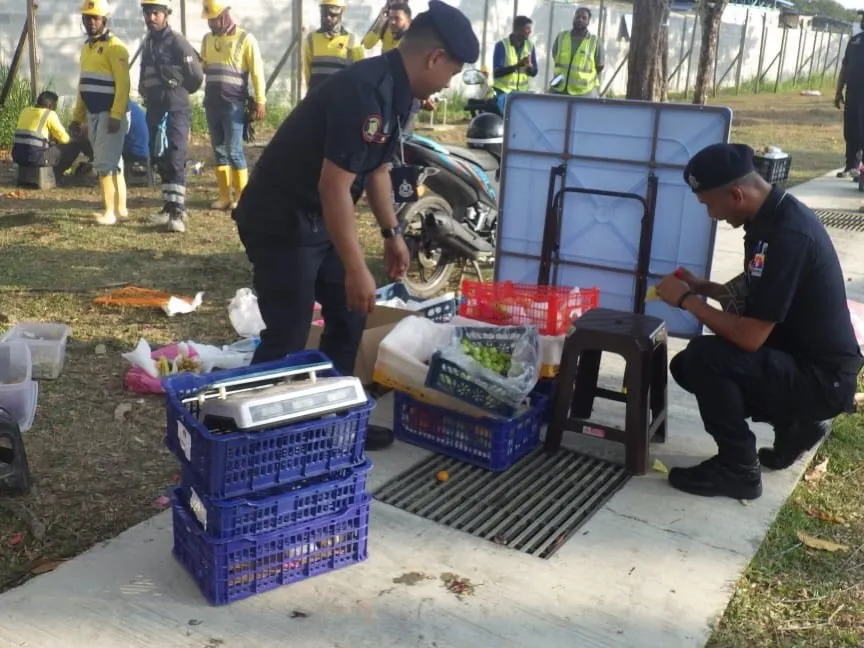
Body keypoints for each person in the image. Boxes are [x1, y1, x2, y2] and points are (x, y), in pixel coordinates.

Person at [232, 0, 479, 451]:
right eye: (452, 71)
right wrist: (356, 267)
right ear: (434, 57)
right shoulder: (365, 91)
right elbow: (334, 187)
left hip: (318, 215)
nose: (449, 82)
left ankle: (330, 423)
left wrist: (392, 234)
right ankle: (254, 442)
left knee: (351, 311)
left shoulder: (400, 94)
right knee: (288, 330)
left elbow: (378, 170)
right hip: (281, 217)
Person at [654, 143, 863, 501]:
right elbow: (758, 295)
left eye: (708, 204)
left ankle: (738, 469)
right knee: (689, 364)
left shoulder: (788, 236)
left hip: (821, 379)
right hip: (803, 361)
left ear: (735, 193)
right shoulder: (768, 218)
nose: (710, 214)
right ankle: (796, 424)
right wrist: (705, 288)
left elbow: (749, 337)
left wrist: (687, 301)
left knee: (704, 357)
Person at [139, 0, 204, 234]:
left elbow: (196, 76)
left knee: (176, 155)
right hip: (155, 109)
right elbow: (143, 73)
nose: (151, 18)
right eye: (147, 13)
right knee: (159, 156)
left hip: (175, 107)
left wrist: (178, 93)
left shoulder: (177, 41)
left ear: (166, 15)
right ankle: (167, 206)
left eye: (155, 13)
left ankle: (178, 210)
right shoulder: (147, 43)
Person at [70, 0, 132, 226]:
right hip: (94, 113)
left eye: (95, 18)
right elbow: (82, 85)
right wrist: (77, 116)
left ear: (104, 20)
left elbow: (123, 85)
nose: (90, 22)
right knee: (114, 163)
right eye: (86, 17)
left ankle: (110, 212)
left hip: (109, 114)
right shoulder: (87, 48)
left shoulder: (116, 48)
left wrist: (116, 114)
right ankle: (120, 208)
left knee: (105, 164)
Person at [200, 0, 266, 211]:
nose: (210, 24)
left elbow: (257, 72)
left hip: (234, 105)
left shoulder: (245, 39)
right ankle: (224, 197)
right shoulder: (208, 39)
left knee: (234, 151)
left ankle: (242, 198)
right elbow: (203, 67)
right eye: (208, 20)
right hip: (212, 103)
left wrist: (260, 101)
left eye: (213, 20)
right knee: (218, 150)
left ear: (224, 16)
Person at [55, 99, 150, 181]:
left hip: (129, 152)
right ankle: (92, 167)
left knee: (79, 142)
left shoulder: (113, 109)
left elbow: (105, 135)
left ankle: (59, 173)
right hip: (140, 150)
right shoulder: (127, 105)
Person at [303, 0, 364, 92]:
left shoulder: (352, 41)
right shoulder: (311, 39)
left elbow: (360, 74)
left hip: (341, 99)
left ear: (341, 12)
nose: (328, 18)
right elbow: (307, 72)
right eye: (324, 13)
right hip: (317, 98)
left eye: (332, 14)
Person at [11, 91, 71, 178]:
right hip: (36, 158)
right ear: (50, 105)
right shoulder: (50, 114)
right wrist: (72, 138)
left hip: (18, 156)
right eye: (55, 105)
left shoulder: (25, 111)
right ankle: (56, 175)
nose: (55, 108)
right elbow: (64, 139)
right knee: (66, 148)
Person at [549, 7, 604, 98]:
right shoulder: (562, 36)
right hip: (559, 87)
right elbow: (555, 55)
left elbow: (600, 65)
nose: (580, 19)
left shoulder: (595, 41)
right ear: (573, 18)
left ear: (588, 22)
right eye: (577, 16)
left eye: (584, 18)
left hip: (584, 92)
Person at [834, 12, 864, 179]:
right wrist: (838, 92)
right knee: (850, 131)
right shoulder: (854, 41)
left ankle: (862, 171)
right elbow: (845, 67)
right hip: (852, 93)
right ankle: (851, 165)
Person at [491, 16, 537, 115]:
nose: (530, 31)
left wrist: (529, 67)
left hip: (521, 95)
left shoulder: (530, 46)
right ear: (518, 29)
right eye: (527, 28)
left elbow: (534, 72)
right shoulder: (502, 45)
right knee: (503, 124)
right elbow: (497, 73)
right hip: (504, 94)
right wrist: (516, 66)